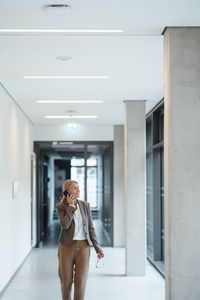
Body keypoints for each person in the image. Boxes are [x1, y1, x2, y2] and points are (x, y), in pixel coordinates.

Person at [56, 179, 104, 300]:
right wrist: (71, 206)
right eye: (75, 188)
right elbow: (65, 225)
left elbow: (91, 228)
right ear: (67, 191)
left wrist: (98, 249)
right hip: (66, 247)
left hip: (84, 247)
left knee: (81, 282)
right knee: (66, 282)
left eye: (78, 187)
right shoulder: (61, 207)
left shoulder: (85, 205)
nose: (78, 190)